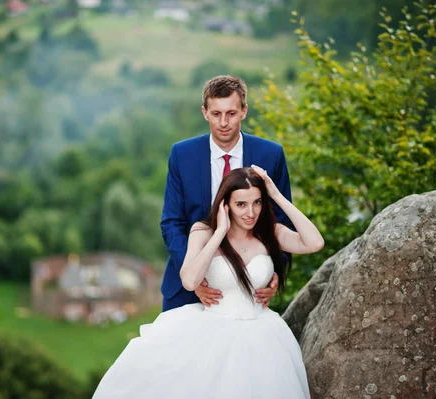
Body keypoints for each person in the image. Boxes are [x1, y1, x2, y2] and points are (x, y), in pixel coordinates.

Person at [93, 166, 323, 399]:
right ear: (226, 205)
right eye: (241, 204)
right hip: (211, 332)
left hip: (263, 335)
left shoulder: (270, 232)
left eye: (257, 202)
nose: (250, 212)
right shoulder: (203, 231)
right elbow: (190, 281)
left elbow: (314, 243)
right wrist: (220, 232)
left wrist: (276, 196)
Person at [161, 75, 292, 311]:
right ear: (204, 112)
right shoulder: (182, 154)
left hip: (249, 289)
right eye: (216, 114)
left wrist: (274, 271)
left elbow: (281, 220)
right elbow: (172, 223)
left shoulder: (271, 155)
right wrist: (192, 276)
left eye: (231, 113)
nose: (223, 122)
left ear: (244, 111)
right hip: (186, 290)